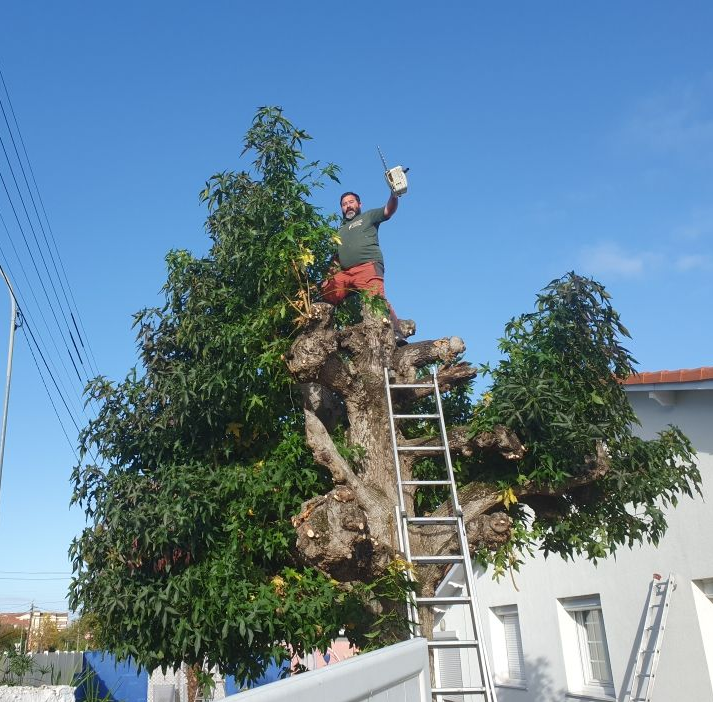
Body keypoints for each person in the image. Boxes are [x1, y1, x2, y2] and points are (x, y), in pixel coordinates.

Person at [321, 190, 405, 343]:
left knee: (376, 300)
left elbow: (388, 210)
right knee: (325, 296)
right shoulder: (339, 231)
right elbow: (336, 259)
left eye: (351, 202)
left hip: (368, 265)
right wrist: (327, 279)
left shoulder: (368, 216)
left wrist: (394, 194)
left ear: (359, 204)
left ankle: (397, 333)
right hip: (345, 273)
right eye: (344, 204)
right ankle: (322, 335)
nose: (348, 206)